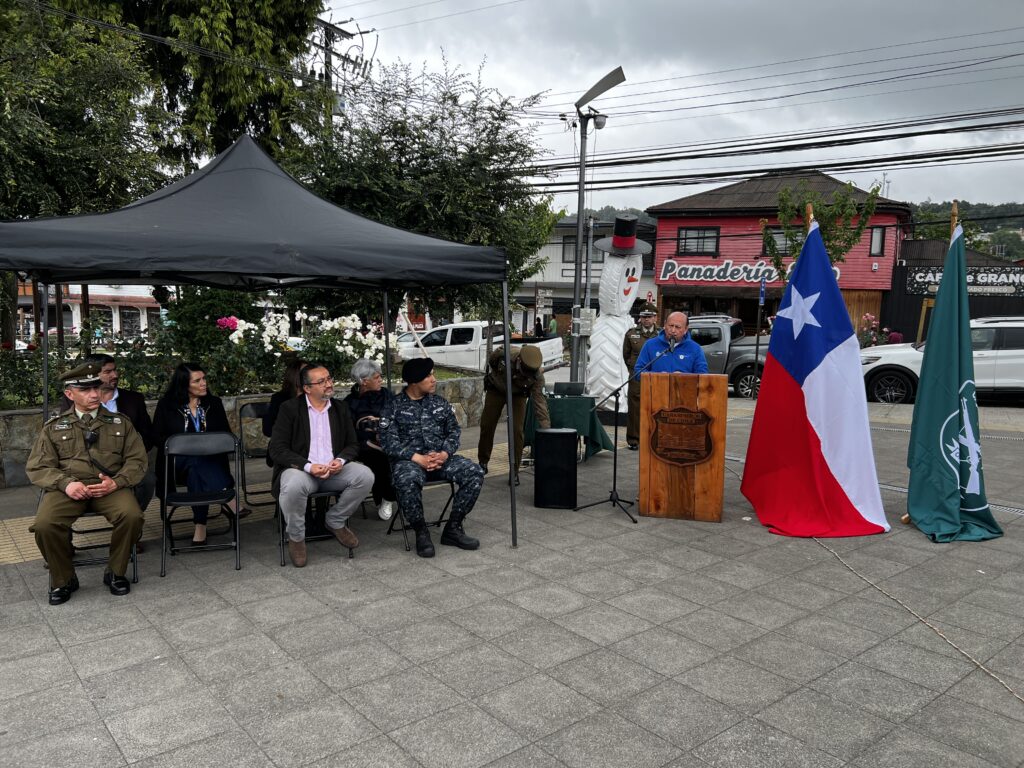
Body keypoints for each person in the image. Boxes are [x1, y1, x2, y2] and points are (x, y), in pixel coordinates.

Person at [27, 362, 146, 604]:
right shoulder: (53, 427)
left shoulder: (120, 423)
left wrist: (117, 482)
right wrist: (66, 484)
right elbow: (38, 466)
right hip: (68, 489)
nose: (94, 394)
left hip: (109, 487)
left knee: (132, 516)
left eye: (96, 388)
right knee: (44, 525)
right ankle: (64, 579)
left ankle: (115, 572)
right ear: (69, 394)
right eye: (85, 390)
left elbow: (137, 460)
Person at [269, 363, 374, 567]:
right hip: (302, 471)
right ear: (307, 388)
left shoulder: (340, 408)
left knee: (365, 476)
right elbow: (277, 449)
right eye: (322, 381)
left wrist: (340, 461)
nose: (329, 384)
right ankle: (296, 537)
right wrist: (308, 466)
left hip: (334, 471)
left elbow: (353, 444)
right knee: (292, 485)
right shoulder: (290, 409)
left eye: (329, 379)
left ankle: (335, 520)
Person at [380, 358, 484, 558]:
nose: (434, 379)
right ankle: (421, 531)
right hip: (410, 462)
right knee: (406, 480)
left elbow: (453, 432)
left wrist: (444, 453)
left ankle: (453, 528)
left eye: (433, 374)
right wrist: (417, 458)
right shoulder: (393, 407)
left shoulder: (439, 403)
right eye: (428, 376)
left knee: (474, 472)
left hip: (440, 459)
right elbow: (388, 443)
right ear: (414, 381)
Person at [153, 362, 249, 546]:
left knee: (197, 468)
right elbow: (157, 436)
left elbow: (226, 435)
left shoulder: (214, 403)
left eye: (204, 378)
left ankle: (200, 526)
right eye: (197, 381)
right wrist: (184, 445)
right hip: (176, 465)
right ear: (184, 384)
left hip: (207, 463)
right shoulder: (167, 405)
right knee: (195, 458)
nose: (203, 383)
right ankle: (228, 498)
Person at [60, 353, 156, 518]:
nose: (115, 375)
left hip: (124, 462)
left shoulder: (133, 399)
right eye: (108, 372)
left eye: (115, 370)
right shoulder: (73, 399)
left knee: (147, 480)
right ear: (92, 374)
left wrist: (128, 455)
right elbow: (66, 434)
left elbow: (148, 435)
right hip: (85, 464)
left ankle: (131, 521)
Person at [476, 344, 550, 482]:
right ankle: (483, 462)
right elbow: (492, 361)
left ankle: (514, 470)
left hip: (518, 394)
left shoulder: (537, 376)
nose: (525, 375)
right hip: (496, 389)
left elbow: (540, 403)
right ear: (519, 361)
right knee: (487, 425)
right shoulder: (504, 354)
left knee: (517, 431)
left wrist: (546, 429)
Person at [344, 358, 397, 521]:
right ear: (364, 381)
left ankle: (391, 495)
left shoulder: (387, 395)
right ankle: (387, 496)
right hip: (362, 444)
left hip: (387, 439)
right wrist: (370, 436)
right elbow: (348, 432)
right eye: (377, 377)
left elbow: (397, 418)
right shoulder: (350, 402)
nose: (381, 380)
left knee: (395, 454)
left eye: (380, 376)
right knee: (378, 457)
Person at [622, 303, 660, 450]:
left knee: (656, 405)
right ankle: (634, 440)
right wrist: (633, 369)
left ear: (655, 318)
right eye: (644, 317)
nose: (646, 319)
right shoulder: (631, 334)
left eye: (649, 317)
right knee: (635, 407)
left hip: (656, 375)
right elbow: (626, 355)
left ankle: (654, 438)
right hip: (636, 375)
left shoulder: (661, 334)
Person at [633, 311, 709, 377]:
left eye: (677, 327)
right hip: (657, 388)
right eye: (670, 326)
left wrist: (685, 377)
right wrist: (657, 376)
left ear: (686, 329)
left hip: (684, 388)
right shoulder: (650, 345)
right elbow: (638, 371)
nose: (673, 330)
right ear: (665, 325)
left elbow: (703, 375)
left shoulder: (695, 348)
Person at [263, 358, 308, 438]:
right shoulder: (279, 399)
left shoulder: (314, 397)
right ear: (294, 376)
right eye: (305, 373)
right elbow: (268, 430)